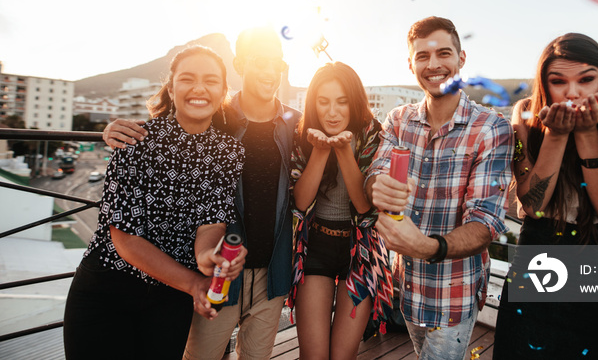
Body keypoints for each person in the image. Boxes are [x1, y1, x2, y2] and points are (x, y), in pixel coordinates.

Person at [102, 27, 301, 360]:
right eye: (259, 60)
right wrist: (112, 129)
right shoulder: (217, 116)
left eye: (276, 62)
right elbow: (170, 129)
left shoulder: (293, 123)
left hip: (272, 271)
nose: (269, 71)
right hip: (215, 271)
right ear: (238, 64)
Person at [64, 46, 247, 359]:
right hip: (107, 291)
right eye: (188, 79)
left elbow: (212, 222)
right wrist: (194, 283)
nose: (200, 88)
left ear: (223, 92)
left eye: (211, 81)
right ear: (172, 88)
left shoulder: (230, 151)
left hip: (169, 300)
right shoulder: (133, 138)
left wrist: (207, 258)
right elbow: (125, 240)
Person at [492, 33, 598, 359]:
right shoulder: (525, 113)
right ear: (545, 82)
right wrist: (556, 135)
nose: (573, 92)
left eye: (586, 79)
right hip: (540, 256)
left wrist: (587, 133)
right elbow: (533, 207)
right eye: (558, 81)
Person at [365, 16, 514, 359]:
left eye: (443, 53)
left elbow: (485, 223)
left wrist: (427, 247)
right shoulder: (398, 120)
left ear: (461, 59)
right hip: (407, 286)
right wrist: (378, 186)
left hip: (454, 294)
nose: (433, 65)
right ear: (410, 64)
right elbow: (378, 170)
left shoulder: (491, 128)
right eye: (422, 57)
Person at [286, 62, 393, 360]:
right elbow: (301, 201)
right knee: (314, 355)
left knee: (342, 355)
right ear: (313, 104)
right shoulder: (303, 134)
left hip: (359, 251)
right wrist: (320, 151)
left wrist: (344, 150)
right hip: (316, 246)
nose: (332, 111)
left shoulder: (373, 133)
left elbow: (363, 206)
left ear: (354, 102)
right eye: (323, 102)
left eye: (341, 102)